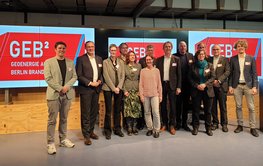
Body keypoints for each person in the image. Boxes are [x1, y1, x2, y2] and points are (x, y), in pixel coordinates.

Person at [44, 41, 77, 155]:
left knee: (64, 118)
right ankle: (50, 143)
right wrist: (60, 88)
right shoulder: (48, 62)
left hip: (67, 95)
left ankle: (63, 139)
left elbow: (74, 76)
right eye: (59, 48)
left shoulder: (70, 62)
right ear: (55, 49)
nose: (61, 50)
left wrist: (67, 87)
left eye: (63, 48)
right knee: (52, 120)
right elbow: (48, 78)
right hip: (54, 95)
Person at [229, 39, 259, 137]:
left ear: (245, 47)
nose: (240, 47)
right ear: (236, 48)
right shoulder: (233, 59)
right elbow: (231, 74)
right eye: (238, 46)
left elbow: (254, 73)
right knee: (238, 106)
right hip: (237, 85)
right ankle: (240, 125)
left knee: (251, 107)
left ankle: (253, 127)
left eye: (242, 45)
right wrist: (230, 86)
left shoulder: (251, 58)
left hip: (248, 85)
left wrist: (255, 86)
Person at [76, 41, 103, 145]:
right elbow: (79, 75)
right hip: (86, 89)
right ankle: (86, 136)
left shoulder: (99, 58)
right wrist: (90, 83)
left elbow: (101, 73)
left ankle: (91, 131)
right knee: (85, 113)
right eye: (89, 47)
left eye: (92, 46)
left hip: (96, 90)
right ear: (85, 48)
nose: (91, 48)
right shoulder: (81, 59)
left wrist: (100, 81)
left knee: (93, 112)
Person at [156, 41, 181, 135]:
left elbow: (179, 74)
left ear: (172, 48)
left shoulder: (176, 59)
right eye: (166, 46)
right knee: (162, 106)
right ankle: (165, 124)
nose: (168, 48)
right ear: (163, 48)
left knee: (173, 106)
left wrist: (179, 87)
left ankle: (172, 125)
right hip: (162, 85)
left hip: (173, 85)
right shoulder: (159, 60)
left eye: (169, 46)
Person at [188, 50, 215, 136]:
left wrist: (205, 84)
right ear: (197, 56)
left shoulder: (209, 65)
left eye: (203, 54)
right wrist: (196, 85)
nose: (201, 55)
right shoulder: (192, 66)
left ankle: (208, 128)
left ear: (205, 55)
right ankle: (195, 127)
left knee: (208, 111)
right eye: (199, 54)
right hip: (196, 90)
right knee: (196, 110)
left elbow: (213, 77)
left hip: (207, 90)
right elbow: (189, 78)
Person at [102, 44, 125, 140]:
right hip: (108, 88)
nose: (113, 52)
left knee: (117, 110)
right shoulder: (105, 62)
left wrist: (119, 87)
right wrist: (113, 88)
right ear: (109, 51)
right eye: (111, 50)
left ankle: (117, 129)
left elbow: (123, 75)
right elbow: (105, 76)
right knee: (108, 110)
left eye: (115, 50)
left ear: (117, 51)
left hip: (119, 89)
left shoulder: (121, 62)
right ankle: (107, 130)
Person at [207, 44, 230, 132]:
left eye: (217, 49)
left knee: (223, 106)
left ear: (220, 50)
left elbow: (227, 71)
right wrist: (212, 82)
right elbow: (207, 72)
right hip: (212, 87)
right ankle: (215, 123)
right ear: (212, 50)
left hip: (221, 86)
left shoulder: (225, 59)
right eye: (214, 49)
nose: (215, 50)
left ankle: (224, 124)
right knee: (213, 106)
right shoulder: (209, 59)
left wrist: (219, 80)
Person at [139, 55, 162, 138]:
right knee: (147, 112)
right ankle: (150, 128)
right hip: (145, 95)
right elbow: (140, 84)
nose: (148, 61)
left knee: (155, 112)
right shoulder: (142, 71)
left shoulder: (157, 71)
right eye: (147, 60)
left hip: (155, 94)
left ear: (153, 60)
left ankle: (156, 130)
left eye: (150, 59)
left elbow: (159, 84)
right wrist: (141, 95)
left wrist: (160, 95)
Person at [173, 41, 194, 131]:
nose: (183, 47)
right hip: (177, 85)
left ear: (186, 47)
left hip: (188, 85)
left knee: (186, 105)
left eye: (184, 46)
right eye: (181, 46)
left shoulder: (190, 56)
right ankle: (178, 123)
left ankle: (184, 123)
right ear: (178, 47)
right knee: (178, 105)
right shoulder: (174, 56)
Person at [123, 51, 142, 136]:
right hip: (128, 90)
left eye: (133, 55)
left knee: (136, 109)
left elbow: (141, 79)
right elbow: (122, 79)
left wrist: (140, 91)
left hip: (137, 90)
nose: (132, 56)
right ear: (128, 57)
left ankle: (134, 127)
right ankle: (129, 128)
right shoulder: (124, 66)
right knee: (128, 110)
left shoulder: (139, 66)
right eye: (130, 55)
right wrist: (124, 90)